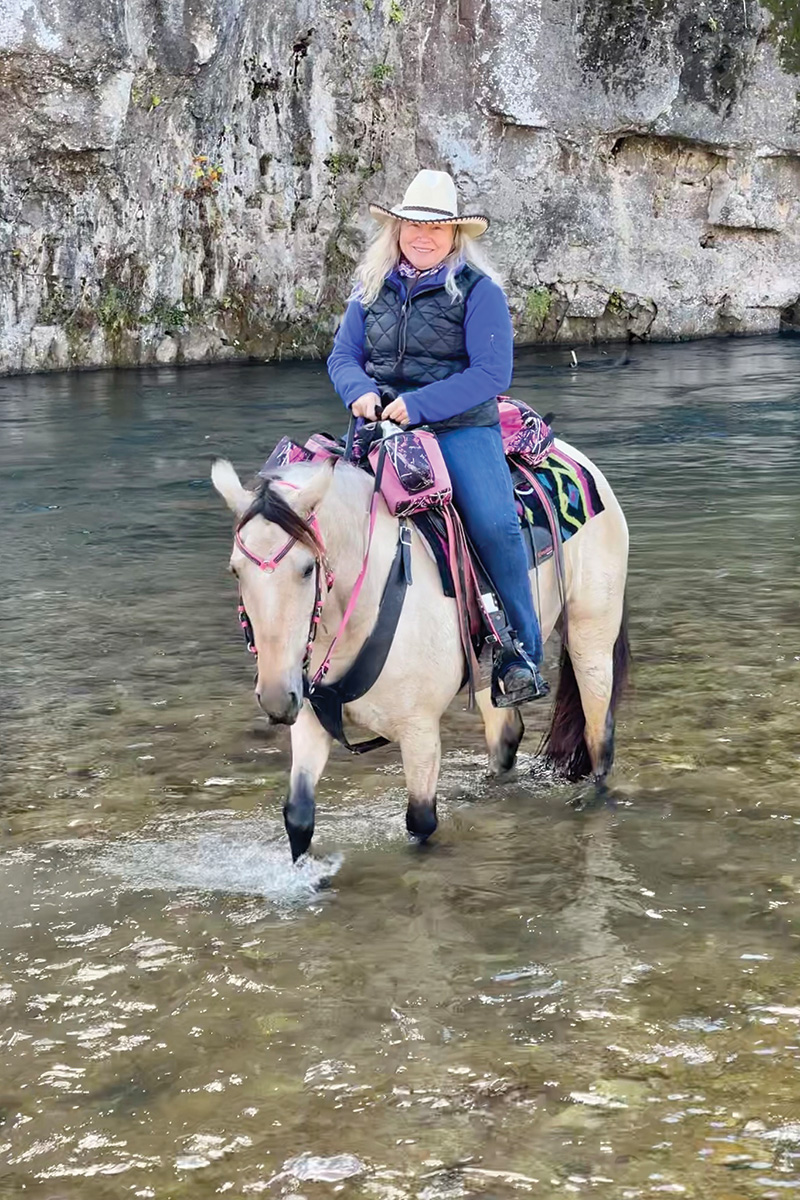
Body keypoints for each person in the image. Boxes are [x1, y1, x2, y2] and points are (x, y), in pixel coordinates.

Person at [327, 168, 548, 707]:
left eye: (436, 229)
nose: (422, 237)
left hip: (459, 427)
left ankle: (522, 653)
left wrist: (420, 405)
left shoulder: (480, 293)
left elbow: (492, 375)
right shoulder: (370, 286)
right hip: (378, 425)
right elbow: (343, 356)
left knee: (495, 525)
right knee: (311, 516)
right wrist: (357, 390)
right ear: (397, 229)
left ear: (456, 236)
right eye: (411, 227)